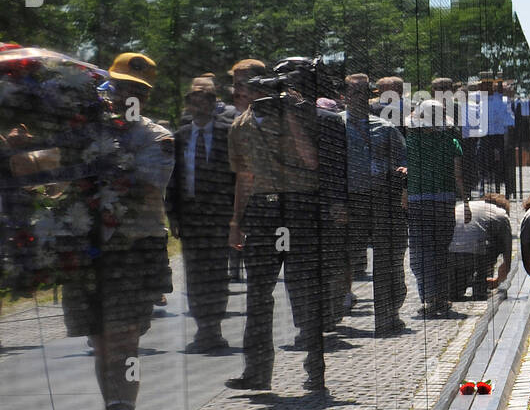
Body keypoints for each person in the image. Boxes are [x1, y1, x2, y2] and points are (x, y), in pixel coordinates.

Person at [60, 53, 174, 410]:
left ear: (145, 96)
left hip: (132, 248)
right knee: (102, 343)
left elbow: (145, 190)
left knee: (123, 341)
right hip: (89, 249)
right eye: (119, 86)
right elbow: (56, 172)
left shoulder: (156, 137)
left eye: (136, 90)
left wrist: (94, 172)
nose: (125, 94)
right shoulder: (83, 134)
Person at [227, 57, 345, 392]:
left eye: (247, 83)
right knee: (257, 293)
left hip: (299, 207)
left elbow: (312, 161)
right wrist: (236, 221)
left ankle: (315, 368)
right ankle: (256, 370)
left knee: (305, 289)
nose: (241, 91)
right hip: (263, 212)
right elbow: (244, 177)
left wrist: (290, 115)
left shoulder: (306, 115)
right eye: (236, 85)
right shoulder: (240, 126)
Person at [167, 76, 237, 354]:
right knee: (194, 272)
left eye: (204, 100)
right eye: (192, 101)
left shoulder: (227, 132)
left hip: (220, 213)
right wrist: (172, 214)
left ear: (212, 103)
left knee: (217, 271)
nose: (197, 106)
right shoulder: (180, 136)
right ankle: (202, 327)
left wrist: (237, 215)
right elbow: (173, 178)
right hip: (191, 214)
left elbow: (237, 176)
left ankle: (215, 326)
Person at [341, 73, 408, 334]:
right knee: (341, 257)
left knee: (388, 259)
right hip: (349, 201)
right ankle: (334, 310)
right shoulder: (335, 126)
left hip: (382, 198)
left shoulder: (385, 128)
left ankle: (387, 315)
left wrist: (403, 177)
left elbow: (404, 159)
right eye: (352, 93)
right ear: (344, 96)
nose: (357, 98)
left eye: (362, 93)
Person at [405, 97, 470, 316]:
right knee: (441, 250)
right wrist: (467, 204)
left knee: (421, 251)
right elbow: (458, 176)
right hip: (444, 201)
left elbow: (408, 173)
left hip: (418, 201)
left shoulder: (411, 142)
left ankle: (430, 296)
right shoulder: (451, 142)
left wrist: (403, 197)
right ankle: (441, 297)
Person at [449, 194, 512, 300]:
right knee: (497, 240)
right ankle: (481, 286)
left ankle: (455, 287)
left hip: (452, 254)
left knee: (457, 288)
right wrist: (498, 280)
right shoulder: (501, 213)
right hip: (478, 255)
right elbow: (507, 251)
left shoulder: (461, 206)